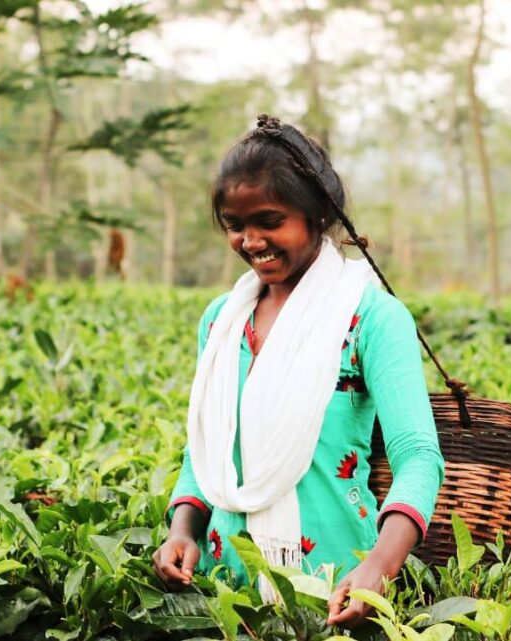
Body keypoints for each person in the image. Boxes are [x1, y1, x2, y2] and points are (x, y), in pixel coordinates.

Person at [152, 114, 444, 628]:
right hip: (227, 599)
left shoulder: (370, 318)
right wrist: (182, 531)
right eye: (235, 225)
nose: (251, 241)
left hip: (336, 591)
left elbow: (419, 457)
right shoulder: (221, 321)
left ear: (319, 213)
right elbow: (205, 449)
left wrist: (380, 566)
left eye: (269, 221)